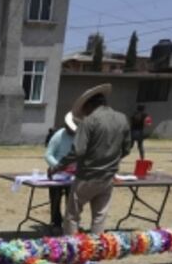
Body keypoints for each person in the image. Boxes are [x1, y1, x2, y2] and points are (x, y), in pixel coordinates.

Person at [50, 83, 132, 235]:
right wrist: (111, 159)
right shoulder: (122, 119)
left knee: (72, 215)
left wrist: (57, 166)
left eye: (85, 109)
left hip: (87, 176)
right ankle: (96, 249)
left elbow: (78, 151)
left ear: (90, 105)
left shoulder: (89, 121)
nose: (84, 113)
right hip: (108, 177)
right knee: (100, 216)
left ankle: (72, 248)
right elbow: (127, 148)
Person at [43, 112, 79, 234]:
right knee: (56, 197)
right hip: (57, 172)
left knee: (72, 199)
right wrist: (57, 167)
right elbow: (48, 155)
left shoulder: (80, 137)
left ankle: (70, 223)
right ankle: (56, 221)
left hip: (74, 173)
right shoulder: (58, 136)